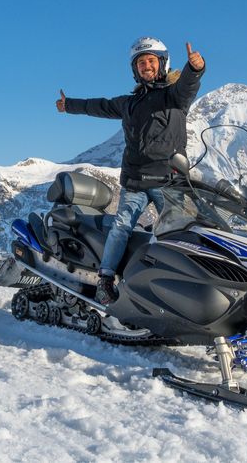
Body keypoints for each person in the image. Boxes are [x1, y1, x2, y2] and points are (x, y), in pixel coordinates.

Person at [56, 37, 205, 304]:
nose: (146, 66)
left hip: (168, 182)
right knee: (121, 227)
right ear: (134, 69)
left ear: (162, 64)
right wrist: (69, 106)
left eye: (150, 61)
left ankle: (191, 284)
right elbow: (98, 106)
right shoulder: (129, 102)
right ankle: (105, 280)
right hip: (135, 181)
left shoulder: (174, 97)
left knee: (182, 231)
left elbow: (188, 86)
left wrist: (195, 68)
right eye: (141, 62)